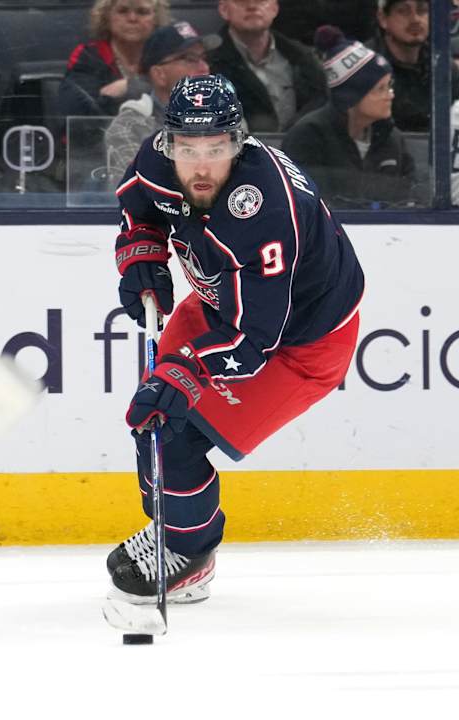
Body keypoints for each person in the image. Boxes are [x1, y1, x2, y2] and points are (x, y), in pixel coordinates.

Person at [105, 74, 364, 602]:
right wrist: (141, 258)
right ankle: (173, 528)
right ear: (168, 141)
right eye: (188, 148)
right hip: (219, 306)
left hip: (301, 345)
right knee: (153, 418)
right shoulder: (158, 163)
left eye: (217, 148)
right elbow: (139, 215)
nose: (201, 166)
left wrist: (184, 371)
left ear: (240, 141)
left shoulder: (263, 206)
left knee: (178, 433)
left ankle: (191, 553)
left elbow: (252, 341)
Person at [282, 26, 416, 209]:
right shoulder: (307, 137)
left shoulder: (393, 139)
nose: (390, 95)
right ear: (352, 97)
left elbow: (410, 200)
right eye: (380, 89)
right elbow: (306, 207)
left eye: (389, 86)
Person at [105, 21, 217, 180]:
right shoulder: (130, 126)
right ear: (159, 74)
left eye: (203, 58)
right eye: (190, 59)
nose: (204, 67)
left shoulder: (227, 118)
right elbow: (132, 193)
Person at [208, 0, 327, 133]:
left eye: (261, 1)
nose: (252, 6)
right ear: (224, 10)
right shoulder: (208, 63)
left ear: (274, 9)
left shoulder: (303, 58)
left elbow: (321, 104)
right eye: (241, 1)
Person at [59, 0, 170, 117]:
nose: (132, 18)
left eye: (142, 12)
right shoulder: (87, 56)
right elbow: (77, 110)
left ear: (156, 20)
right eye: (122, 11)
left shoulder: (170, 57)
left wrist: (132, 86)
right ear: (106, 17)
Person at [367, 0, 459, 132]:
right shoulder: (366, 67)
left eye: (422, 10)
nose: (415, 19)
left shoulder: (442, 64)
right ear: (383, 18)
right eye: (403, 11)